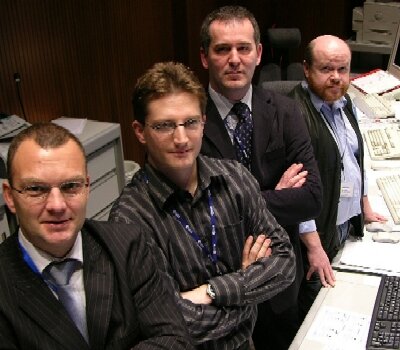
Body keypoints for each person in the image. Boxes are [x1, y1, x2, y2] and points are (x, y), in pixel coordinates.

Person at [108, 61, 296, 350]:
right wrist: (248, 290)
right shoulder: (129, 219)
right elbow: (171, 322)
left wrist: (212, 291)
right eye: (164, 126)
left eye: (190, 123)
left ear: (203, 123)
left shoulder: (235, 178)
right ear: (140, 131)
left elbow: (284, 262)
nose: (181, 138)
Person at [0, 122, 193, 350]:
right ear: (10, 197)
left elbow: (174, 340)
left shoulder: (126, 245)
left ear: (87, 187)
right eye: (36, 189)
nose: (57, 205)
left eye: (70, 186)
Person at [198, 5, 323, 349]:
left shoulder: (286, 110)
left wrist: (240, 203)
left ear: (259, 53)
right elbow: (199, 212)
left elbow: (312, 197)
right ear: (205, 58)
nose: (235, 59)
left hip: (282, 280)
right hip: (219, 282)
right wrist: (273, 193)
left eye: (244, 48)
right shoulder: (189, 120)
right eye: (222, 49)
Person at [289, 35, 387, 320]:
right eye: (326, 69)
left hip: (345, 226)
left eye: (342, 70)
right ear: (306, 69)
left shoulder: (346, 104)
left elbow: (355, 158)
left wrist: (365, 206)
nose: (336, 78)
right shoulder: (294, 115)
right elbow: (298, 191)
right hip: (319, 236)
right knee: (318, 312)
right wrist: (315, 248)